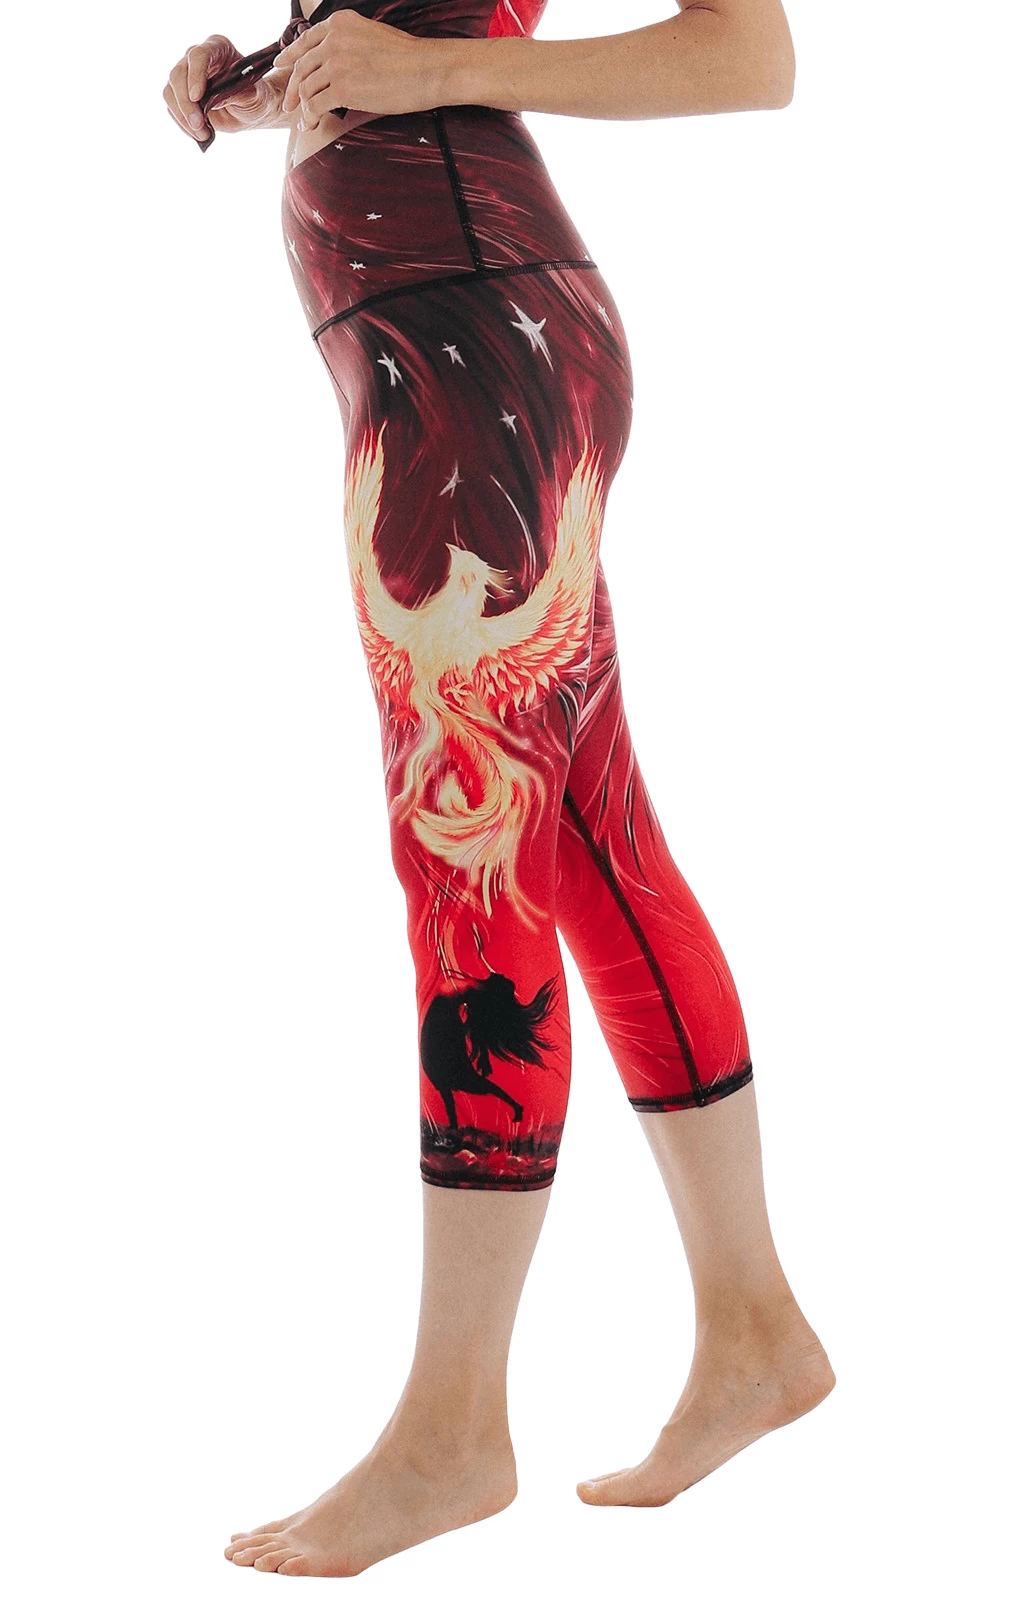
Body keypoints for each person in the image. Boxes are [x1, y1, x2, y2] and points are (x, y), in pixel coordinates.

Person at [164, 0, 832, 1579]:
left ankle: (452, 1430)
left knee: (470, 859)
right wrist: (266, 84)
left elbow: (753, 54)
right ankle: (755, 1329)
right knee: (591, 839)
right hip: (445, 340)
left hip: (473, 348)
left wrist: (430, 69)